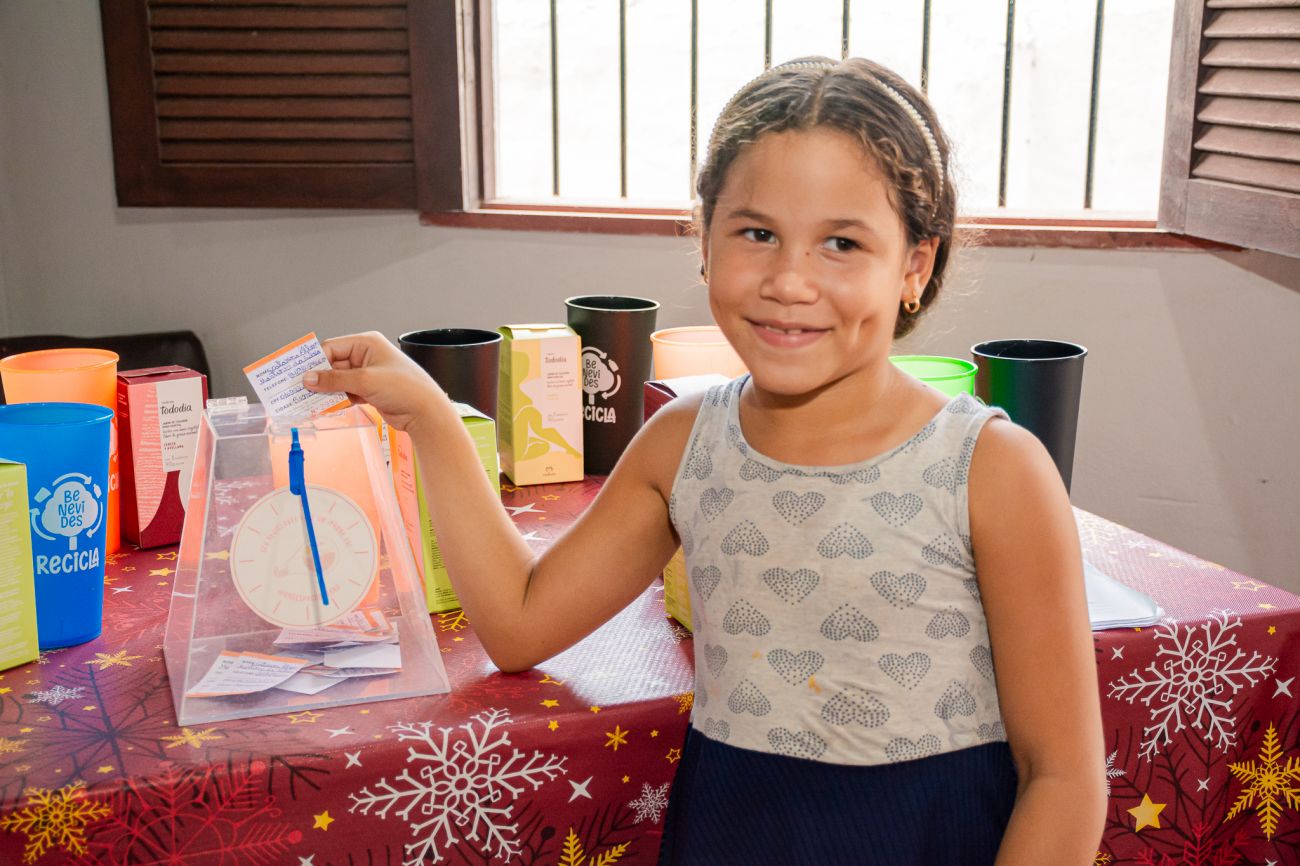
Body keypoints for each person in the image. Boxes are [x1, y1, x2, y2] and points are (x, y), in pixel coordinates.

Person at [305, 56, 1106, 866]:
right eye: (757, 233)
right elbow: (518, 623)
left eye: (841, 243)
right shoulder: (684, 443)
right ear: (704, 241)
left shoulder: (992, 468)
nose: (789, 281)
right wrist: (431, 418)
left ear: (914, 266)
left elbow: (1064, 778)